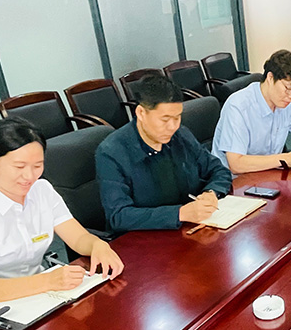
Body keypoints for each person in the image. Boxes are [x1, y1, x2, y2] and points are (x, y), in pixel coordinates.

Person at [0, 117, 124, 326]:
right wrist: (47, 281)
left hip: (36, 301)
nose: (29, 176)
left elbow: (78, 238)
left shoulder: (42, 190)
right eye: (19, 166)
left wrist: (97, 245)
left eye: (37, 165)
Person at [96, 74, 232, 232]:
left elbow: (219, 170)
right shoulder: (112, 152)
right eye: (165, 120)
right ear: (141, 113)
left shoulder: (181, 136)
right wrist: (179, 214)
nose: (173, 127)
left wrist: (211, 192)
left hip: (190, 230)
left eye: (177, 118)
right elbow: (118, 216)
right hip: (144, 239)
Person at [211, 49, 291, 173]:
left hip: (269, 174)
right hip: (234, 179)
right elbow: (236, 164)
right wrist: (285, 159)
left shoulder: (284, 103)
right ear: (270, 78)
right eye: (287, 88)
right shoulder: (238, 107)